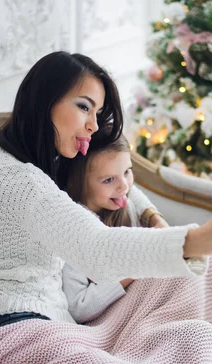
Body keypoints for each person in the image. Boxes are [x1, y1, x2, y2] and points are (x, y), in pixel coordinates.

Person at [0, 51, 212, 331]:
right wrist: (208, 237)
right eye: (84, 107)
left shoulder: (41, 151)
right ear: (44, 102)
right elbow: (97, 247)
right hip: (18, 323)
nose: (93, 125)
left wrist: (152, 216)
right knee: (191, 332)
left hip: (56, 318)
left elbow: (117, 182)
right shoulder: (17, 181)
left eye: (97, 113)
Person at [62, 133, 149, 324]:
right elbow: (78, 307)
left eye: (127, 171)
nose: (124, 186)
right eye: (109, 180)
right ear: (79, 182)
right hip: (119, 320)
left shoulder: (127, 206)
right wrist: (133, 271)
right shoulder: (74, 233)